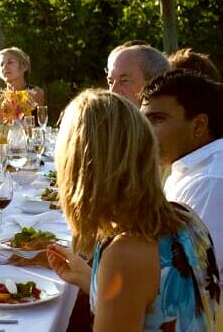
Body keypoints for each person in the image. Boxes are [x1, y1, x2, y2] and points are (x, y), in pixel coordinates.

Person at [46, 89, 220, 331]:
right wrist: (88, 278)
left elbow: (134, 276)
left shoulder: (126, 253)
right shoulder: (184, 215)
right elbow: (152, 300)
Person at [141, 70, 223, 279]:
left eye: (157, 119)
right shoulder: (189, 167)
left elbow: (190, 279)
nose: (144, 131)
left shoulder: (209, 181)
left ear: (198, 125)